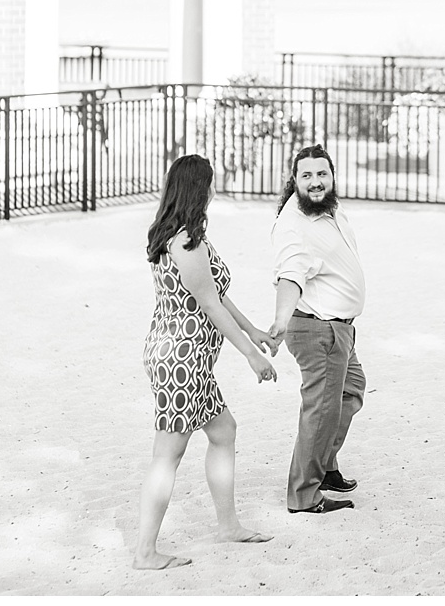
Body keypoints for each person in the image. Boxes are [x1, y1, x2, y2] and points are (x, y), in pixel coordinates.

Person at [135, 154, 279, 570]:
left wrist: (253, 331)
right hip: (180, 359)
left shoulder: (178, 234)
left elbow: (216, 295)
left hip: (182, 357)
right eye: (212, 183)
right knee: (168, 454)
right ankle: (145, 552)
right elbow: (211, 306)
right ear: (202, 188)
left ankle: (228, 525)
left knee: (223, 430)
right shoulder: (186, 241)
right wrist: (252, 357)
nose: (216, 189)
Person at [268, 144, 368, 515]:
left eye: (321, 174)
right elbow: (290, 274)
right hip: (317, 329)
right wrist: (280, 318)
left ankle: (324, 465)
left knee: (351, 391)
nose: (315, 182)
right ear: (293, 180)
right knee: (321, 409)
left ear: (332, 176)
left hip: (338, 327)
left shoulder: (330, 210)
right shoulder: (294, 225)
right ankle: (303, 494)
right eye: (306, 175)